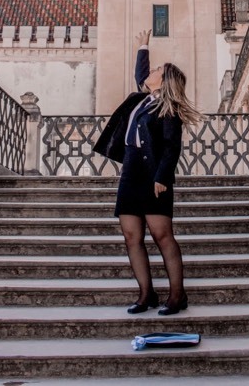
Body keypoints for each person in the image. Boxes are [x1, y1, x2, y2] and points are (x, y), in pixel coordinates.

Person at [93, 29, 201, 315]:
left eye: (157, 70)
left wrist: (163, 177)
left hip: (154, 176)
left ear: (164, 81)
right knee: (131, 235)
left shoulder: (169, 108)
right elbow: (141, 74)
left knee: (162, 235)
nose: (150, 72)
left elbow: (171, 147)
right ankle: (146, 294)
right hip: (131, 173)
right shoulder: (143, 99)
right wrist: (143, 46)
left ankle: (177, 296)